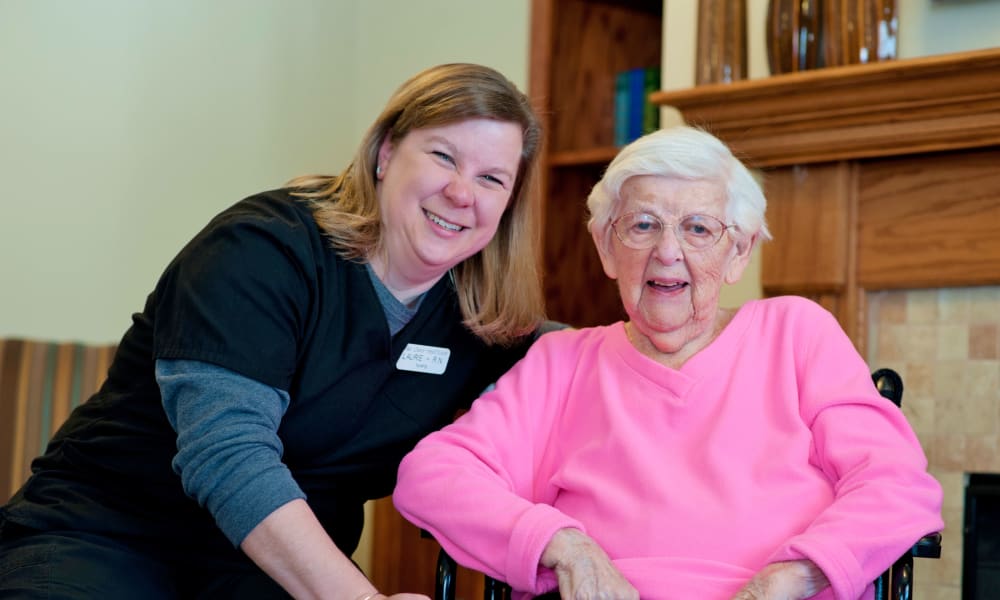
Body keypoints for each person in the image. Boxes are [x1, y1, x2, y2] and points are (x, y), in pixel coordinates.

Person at [0, 63, 546, 600]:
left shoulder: (476, 320)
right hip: (106, 534)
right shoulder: (262, 249)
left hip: (267, 576)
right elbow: (228, 454)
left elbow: (583, 362)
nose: (461, 192)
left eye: (491, 179)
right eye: (443, 156)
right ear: (385, 155)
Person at [392, 125, 944, 600]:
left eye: (698, 228)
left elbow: (896, 482)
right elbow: (432, 475)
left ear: (740, 251)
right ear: (606, 247)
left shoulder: (796, 333)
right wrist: (564, 546)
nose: (668, 251)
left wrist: (791, 576)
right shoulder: (562, 363)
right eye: (643, 225)